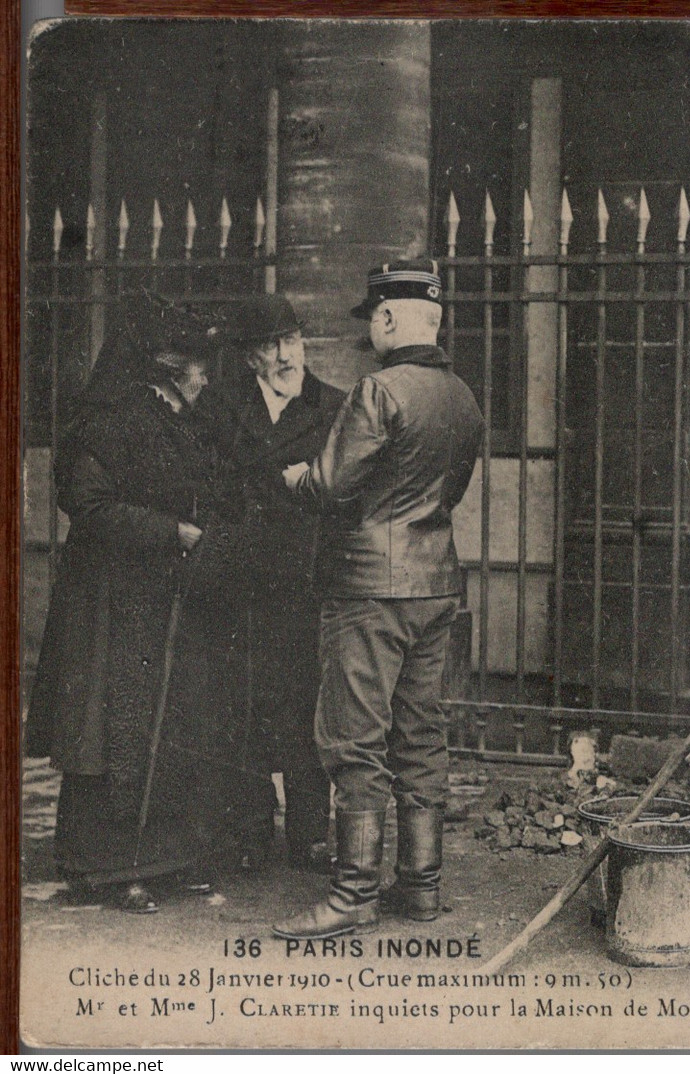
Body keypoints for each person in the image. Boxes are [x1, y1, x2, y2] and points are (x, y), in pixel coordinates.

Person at [272, 260, 484, 940]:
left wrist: (295, 475)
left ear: (389, 319)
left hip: (368, 589)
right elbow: (442, 494)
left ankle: (352, 894)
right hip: (436, 582)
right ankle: (419, 887)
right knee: (419, 734)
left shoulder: (377, 390)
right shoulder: (462, 396)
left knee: (353, 738)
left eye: (373, 320)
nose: (372, 331)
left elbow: (331, 488)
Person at [26, 292, 240, 914]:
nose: (206, 377)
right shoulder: (107, 421)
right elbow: (89, 509)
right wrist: (171, 531)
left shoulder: (186, 422)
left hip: (167, 596)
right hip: (109, 602)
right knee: (109, 731)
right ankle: (105, 867)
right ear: (170, 371)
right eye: (199, 366)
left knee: (167, 726)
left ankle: (165, 858)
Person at [206, 294, 346, 874]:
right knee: (241, 706)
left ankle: (311, 832)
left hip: (304, 584)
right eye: (271, 344)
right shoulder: (220, 408)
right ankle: (248, 828)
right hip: (238, 585)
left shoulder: (336, 407)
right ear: (247, 357)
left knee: (303, 707)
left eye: (293, 339)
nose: (287, 355)